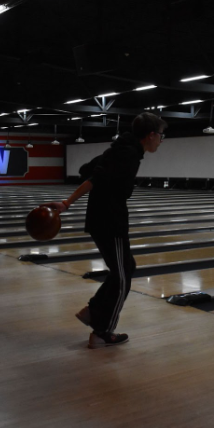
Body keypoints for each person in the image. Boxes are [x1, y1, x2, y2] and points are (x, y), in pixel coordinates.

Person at [46, 112, 167, 349]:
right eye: (161, 136)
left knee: (125, 268)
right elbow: (94, 178)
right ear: (151, 135)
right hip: (110, 222)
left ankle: (93, 312)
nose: (162, 140)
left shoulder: (122, 148)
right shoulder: (128, 154)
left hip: (101, 220)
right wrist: (67, 203)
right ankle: (102, 332)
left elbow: (87, 169)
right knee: (122, 278)